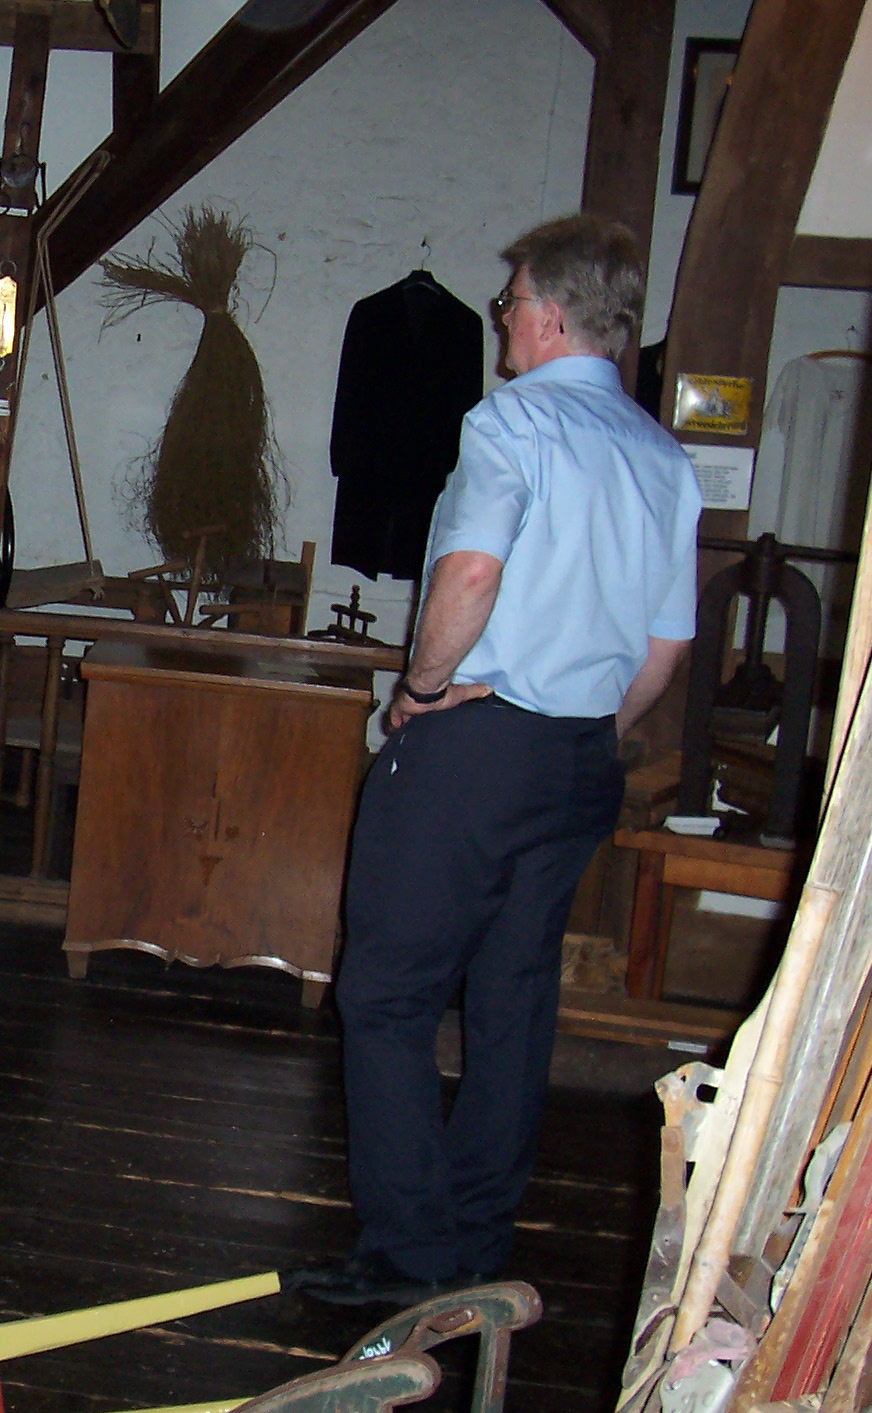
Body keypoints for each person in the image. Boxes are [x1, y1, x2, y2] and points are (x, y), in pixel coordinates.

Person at [295, 214, 702, 1306]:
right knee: (513, 1001)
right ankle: (475, 1239)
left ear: (551, 316)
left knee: (386, 996)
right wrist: (584, 723)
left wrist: (422, 694)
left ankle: (408, 1255)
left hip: (476, 749)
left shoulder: (513, 421)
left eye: (510, 301)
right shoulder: (664, 457)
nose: (502, 319)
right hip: (578, 759)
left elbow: (469, 578)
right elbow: (665, 648)